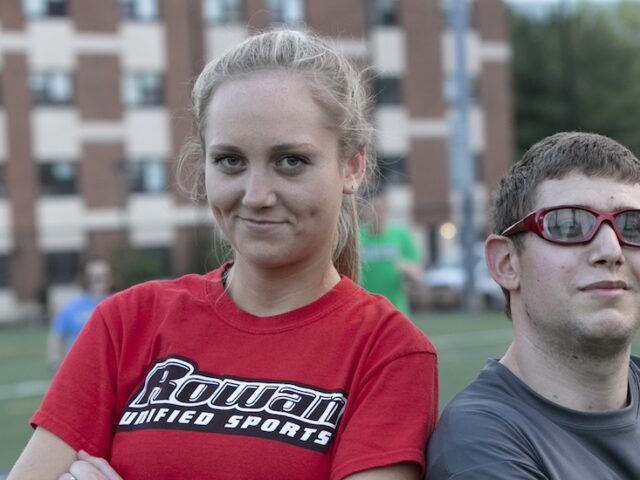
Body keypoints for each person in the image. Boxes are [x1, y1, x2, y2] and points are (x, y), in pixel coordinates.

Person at [9, 29, 438, 480]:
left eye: (290, 160)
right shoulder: (127, 323)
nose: (255, 195)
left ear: (352, 166)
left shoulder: (390, 353)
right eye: (230, 161)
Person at [426, 131, 640, 479]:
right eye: (569, 225)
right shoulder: (478, 445)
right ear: (506, 263)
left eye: (633, 226)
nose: (611, 251)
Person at [359, 186, 423, 316]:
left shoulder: (401, 235)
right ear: (364, 210)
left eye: (383, 208)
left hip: (396, 312)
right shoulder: (355, 237)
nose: (379, 213)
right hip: (364, 313)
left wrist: (407, 268)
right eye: (375, 209)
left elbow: (419, 276)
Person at [47, 259, 112, 371]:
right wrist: (55, 360)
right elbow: (57, 335)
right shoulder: (72, 306)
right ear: (86, 279)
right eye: (94, 276)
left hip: (110, 368)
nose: (98, 280)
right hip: (78, 368)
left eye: (102, 276)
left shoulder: (117, 303)